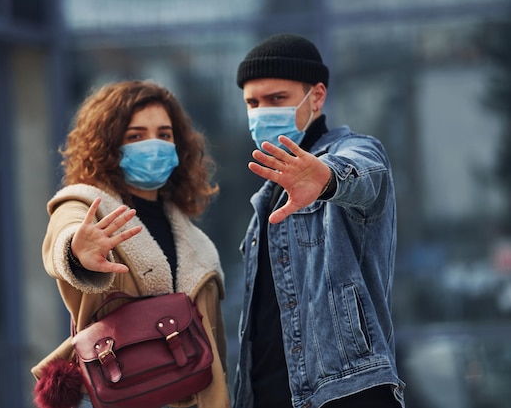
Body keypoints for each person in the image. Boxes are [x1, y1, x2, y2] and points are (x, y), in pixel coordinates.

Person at [31, 80, 230, 408]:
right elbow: (64, 235)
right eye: (135, 136)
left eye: (164, 135)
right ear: (109, 146)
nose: (153, 145)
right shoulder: (85, 206)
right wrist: (77, 252)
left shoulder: (193, 238)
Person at [232, 33, 406, 408]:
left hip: (344, 394)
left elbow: (364, 174)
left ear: (317, 96)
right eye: (252, 102)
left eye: (277, 99)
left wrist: (327, 179)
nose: (262, 111)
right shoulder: (265, 199)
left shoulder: (352, 150)